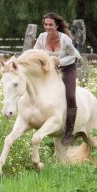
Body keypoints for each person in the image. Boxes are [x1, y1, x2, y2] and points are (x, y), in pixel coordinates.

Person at [34, 12, 82, 147]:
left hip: (67, 68)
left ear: (57, 26)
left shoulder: (65, 39)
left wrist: (59, 61)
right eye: (45, 24)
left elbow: (74, 55)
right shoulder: (42, 37)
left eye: (50, 25)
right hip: (50, 69)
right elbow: (35, 52)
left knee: (70, 96)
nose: (47, 27)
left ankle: (69, 130)